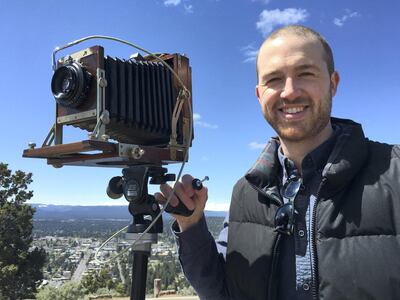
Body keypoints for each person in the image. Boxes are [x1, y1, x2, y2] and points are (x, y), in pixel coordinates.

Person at [155, 25, 400, 300]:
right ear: (259, 94)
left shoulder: (394, 173)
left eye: (305, 74)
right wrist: (191, 224)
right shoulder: (245, 193)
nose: (289, 92)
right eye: (274, 79)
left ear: (333, 83)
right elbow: (222, 293)